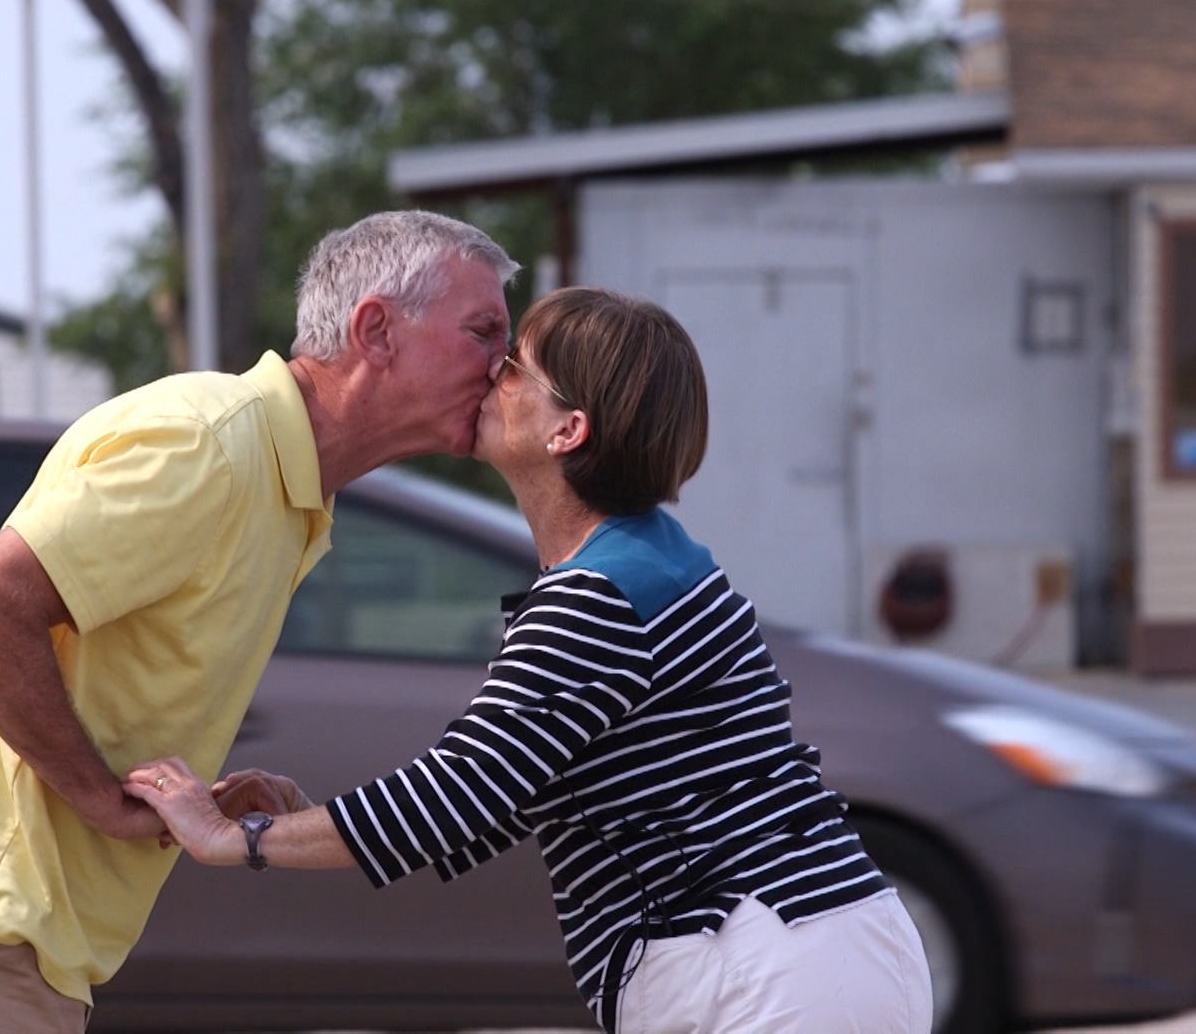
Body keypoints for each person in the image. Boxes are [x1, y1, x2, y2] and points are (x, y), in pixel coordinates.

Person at [129, 287, 933, 1034]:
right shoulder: (647, 560)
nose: (489, 371)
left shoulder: (598, 596)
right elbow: (516, 790)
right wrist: (306, 820)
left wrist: (237, 840)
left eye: (514, 366)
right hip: (813, 945)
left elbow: (463, 790)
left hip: (763, 962)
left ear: (567, 430)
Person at [0, 210, 519, 1033]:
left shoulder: (280, 478)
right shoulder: (211, 449)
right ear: (375, 330)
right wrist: (96, 797)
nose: (502, 366)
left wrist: (198, 797)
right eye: (481, 332)